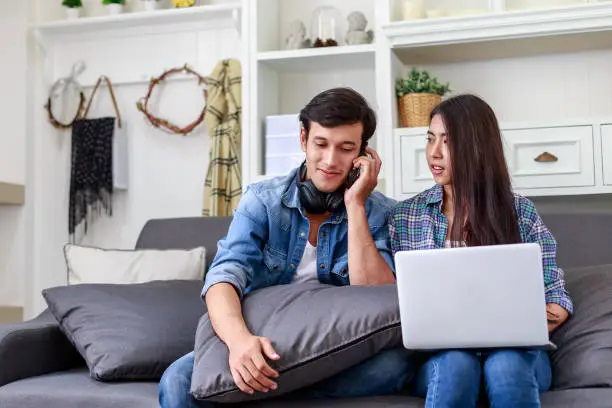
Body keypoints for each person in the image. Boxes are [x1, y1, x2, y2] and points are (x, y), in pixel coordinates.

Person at [159, 87, 414, 408]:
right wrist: (240, 343)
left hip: (338, 348)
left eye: (346, 148)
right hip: (262, 335)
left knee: (395, 366)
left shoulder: (379, 211)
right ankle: (278, 382)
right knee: (178, 380)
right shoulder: (262, 201)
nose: (331, 161)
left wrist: (355, 205)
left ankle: (269, 388)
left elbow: (378, 297)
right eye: (321, 144)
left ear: (363, 154)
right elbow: (223, 277)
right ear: (303, 138)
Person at [389, 94, 573, 408]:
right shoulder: (406, 216)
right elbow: (394, 300)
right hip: (441, 357)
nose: (433, 153)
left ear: (477, 146)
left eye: (447, 142)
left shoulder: (519, 212)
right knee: (456, 365)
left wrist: (546, 312)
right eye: (430, 139)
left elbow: (555, 292)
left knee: (506, 365)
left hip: (515, 353)